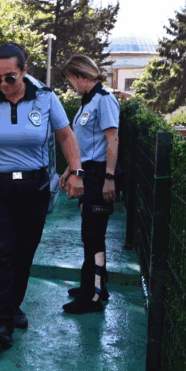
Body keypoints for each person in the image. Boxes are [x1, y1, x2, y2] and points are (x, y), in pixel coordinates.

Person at [0, 42, 85, 346]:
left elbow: (65, 134)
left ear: (25, 71)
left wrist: (76, 171)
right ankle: (1, 321)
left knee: (24, 251)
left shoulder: (46, 99)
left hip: (33, 189)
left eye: (9, 78)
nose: (2, 85)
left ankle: (13, 306)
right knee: (0, 251)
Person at [59, 55, 121, 314]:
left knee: (93, 237)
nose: (69, 86)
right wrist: (69, 170)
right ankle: (97, 286)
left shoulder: (104, 100)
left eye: (70, 81)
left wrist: (109, 177)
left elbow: (113, 140)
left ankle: (92, 296)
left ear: (80, 76)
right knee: (92, 235)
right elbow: (82, 145)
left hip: (98, 176)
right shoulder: (89, 102)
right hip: (87, 173)